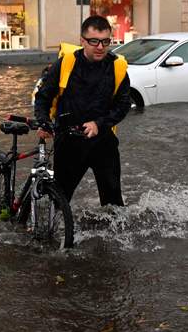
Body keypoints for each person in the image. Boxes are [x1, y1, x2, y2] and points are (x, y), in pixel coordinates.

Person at [33, 16, 131, 207]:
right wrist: (43, 121)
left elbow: (122, 105)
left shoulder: (117, 68)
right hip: (68, 142)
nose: (100, 47)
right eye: (94, 41)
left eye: (105, 41)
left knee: (113, 202)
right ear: (82, 41)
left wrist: (99, 124)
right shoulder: (65, 64)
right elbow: (43, 96)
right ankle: (56, 232)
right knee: (59, 199)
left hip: (103, 143)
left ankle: (112, 234)